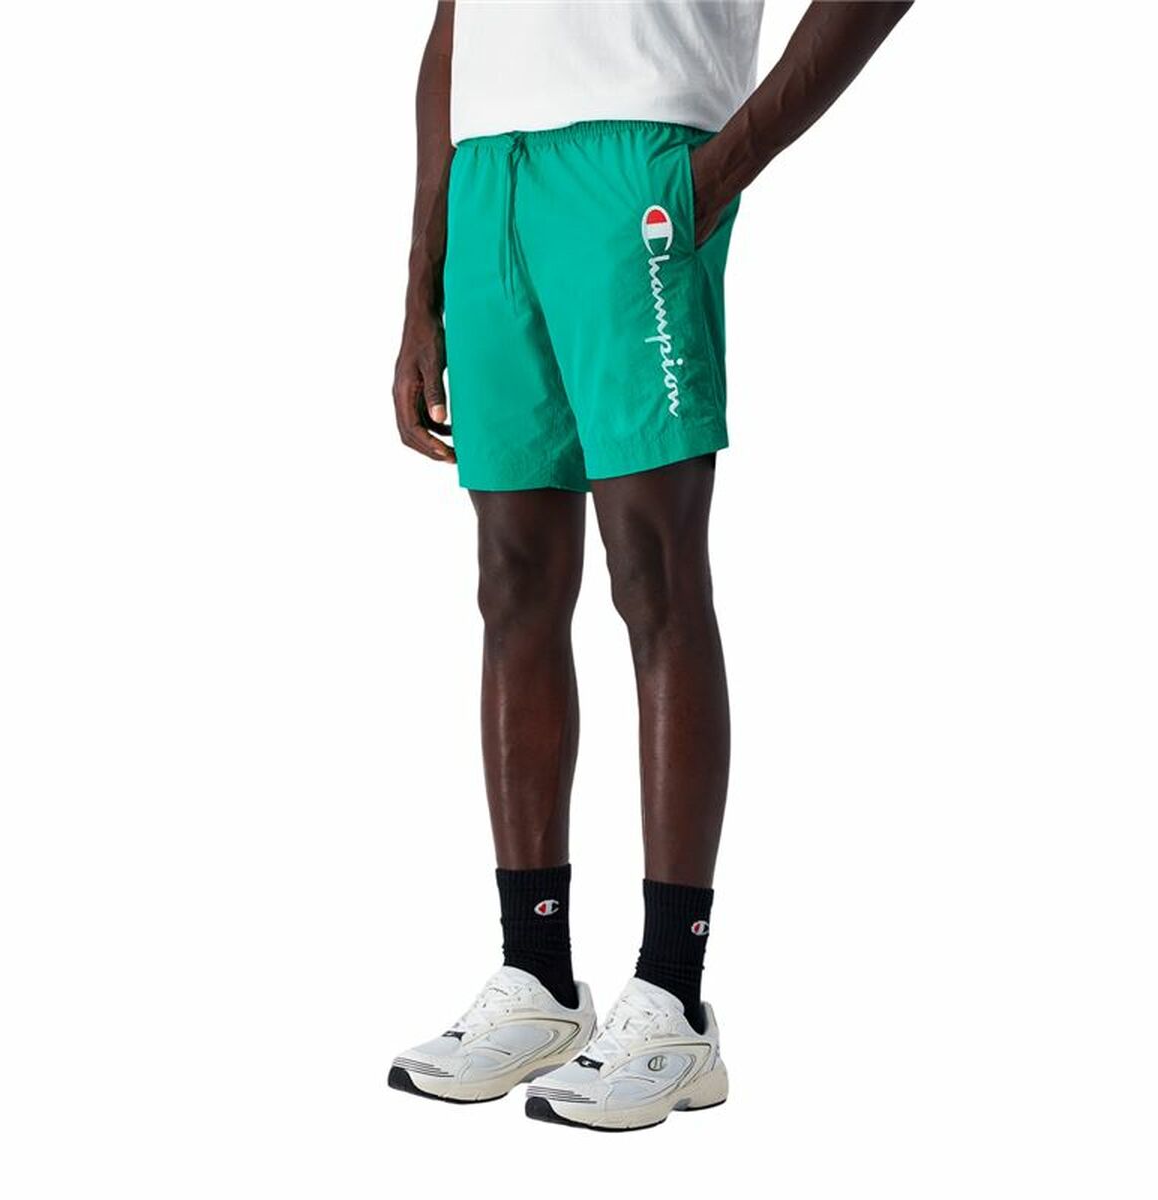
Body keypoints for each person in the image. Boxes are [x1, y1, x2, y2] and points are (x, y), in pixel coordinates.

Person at [388, 0, 911, 1132]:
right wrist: (424, 264)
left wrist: (719, 171)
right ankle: (537, 980)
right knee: (512, 584)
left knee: (654, 575)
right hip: (490, 179)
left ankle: (673, 1002)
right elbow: (453, 25)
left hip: (639, 159)